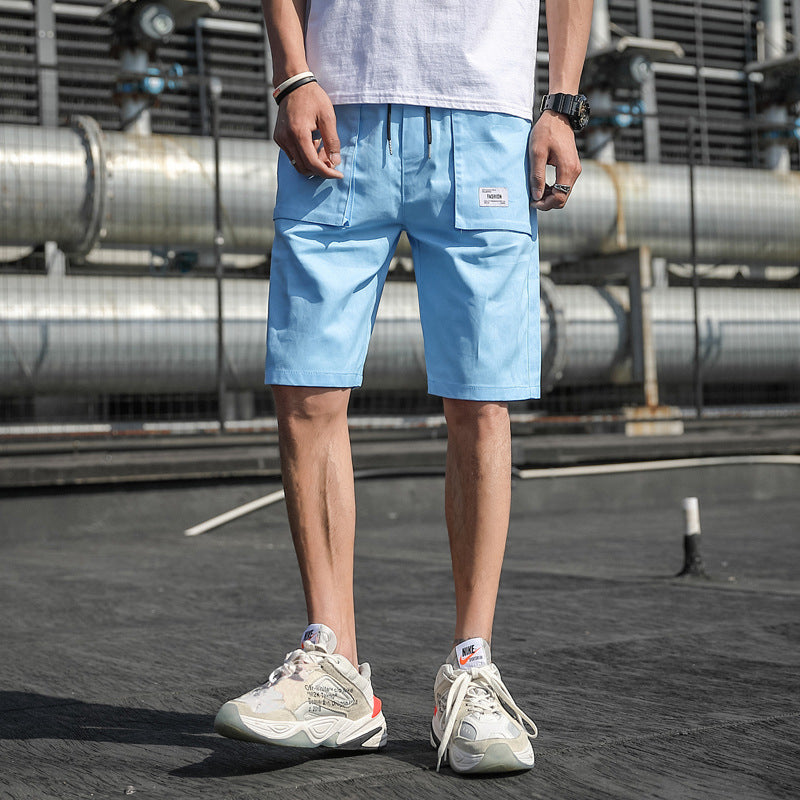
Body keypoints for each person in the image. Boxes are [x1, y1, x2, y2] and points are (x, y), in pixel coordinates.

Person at [215, 0, 593, 774]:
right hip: (337, 104)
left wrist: (561, 102)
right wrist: (292, 75)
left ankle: (473, 665)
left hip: (486, 118)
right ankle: (334, 674)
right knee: (307, 393)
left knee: (480, 400)